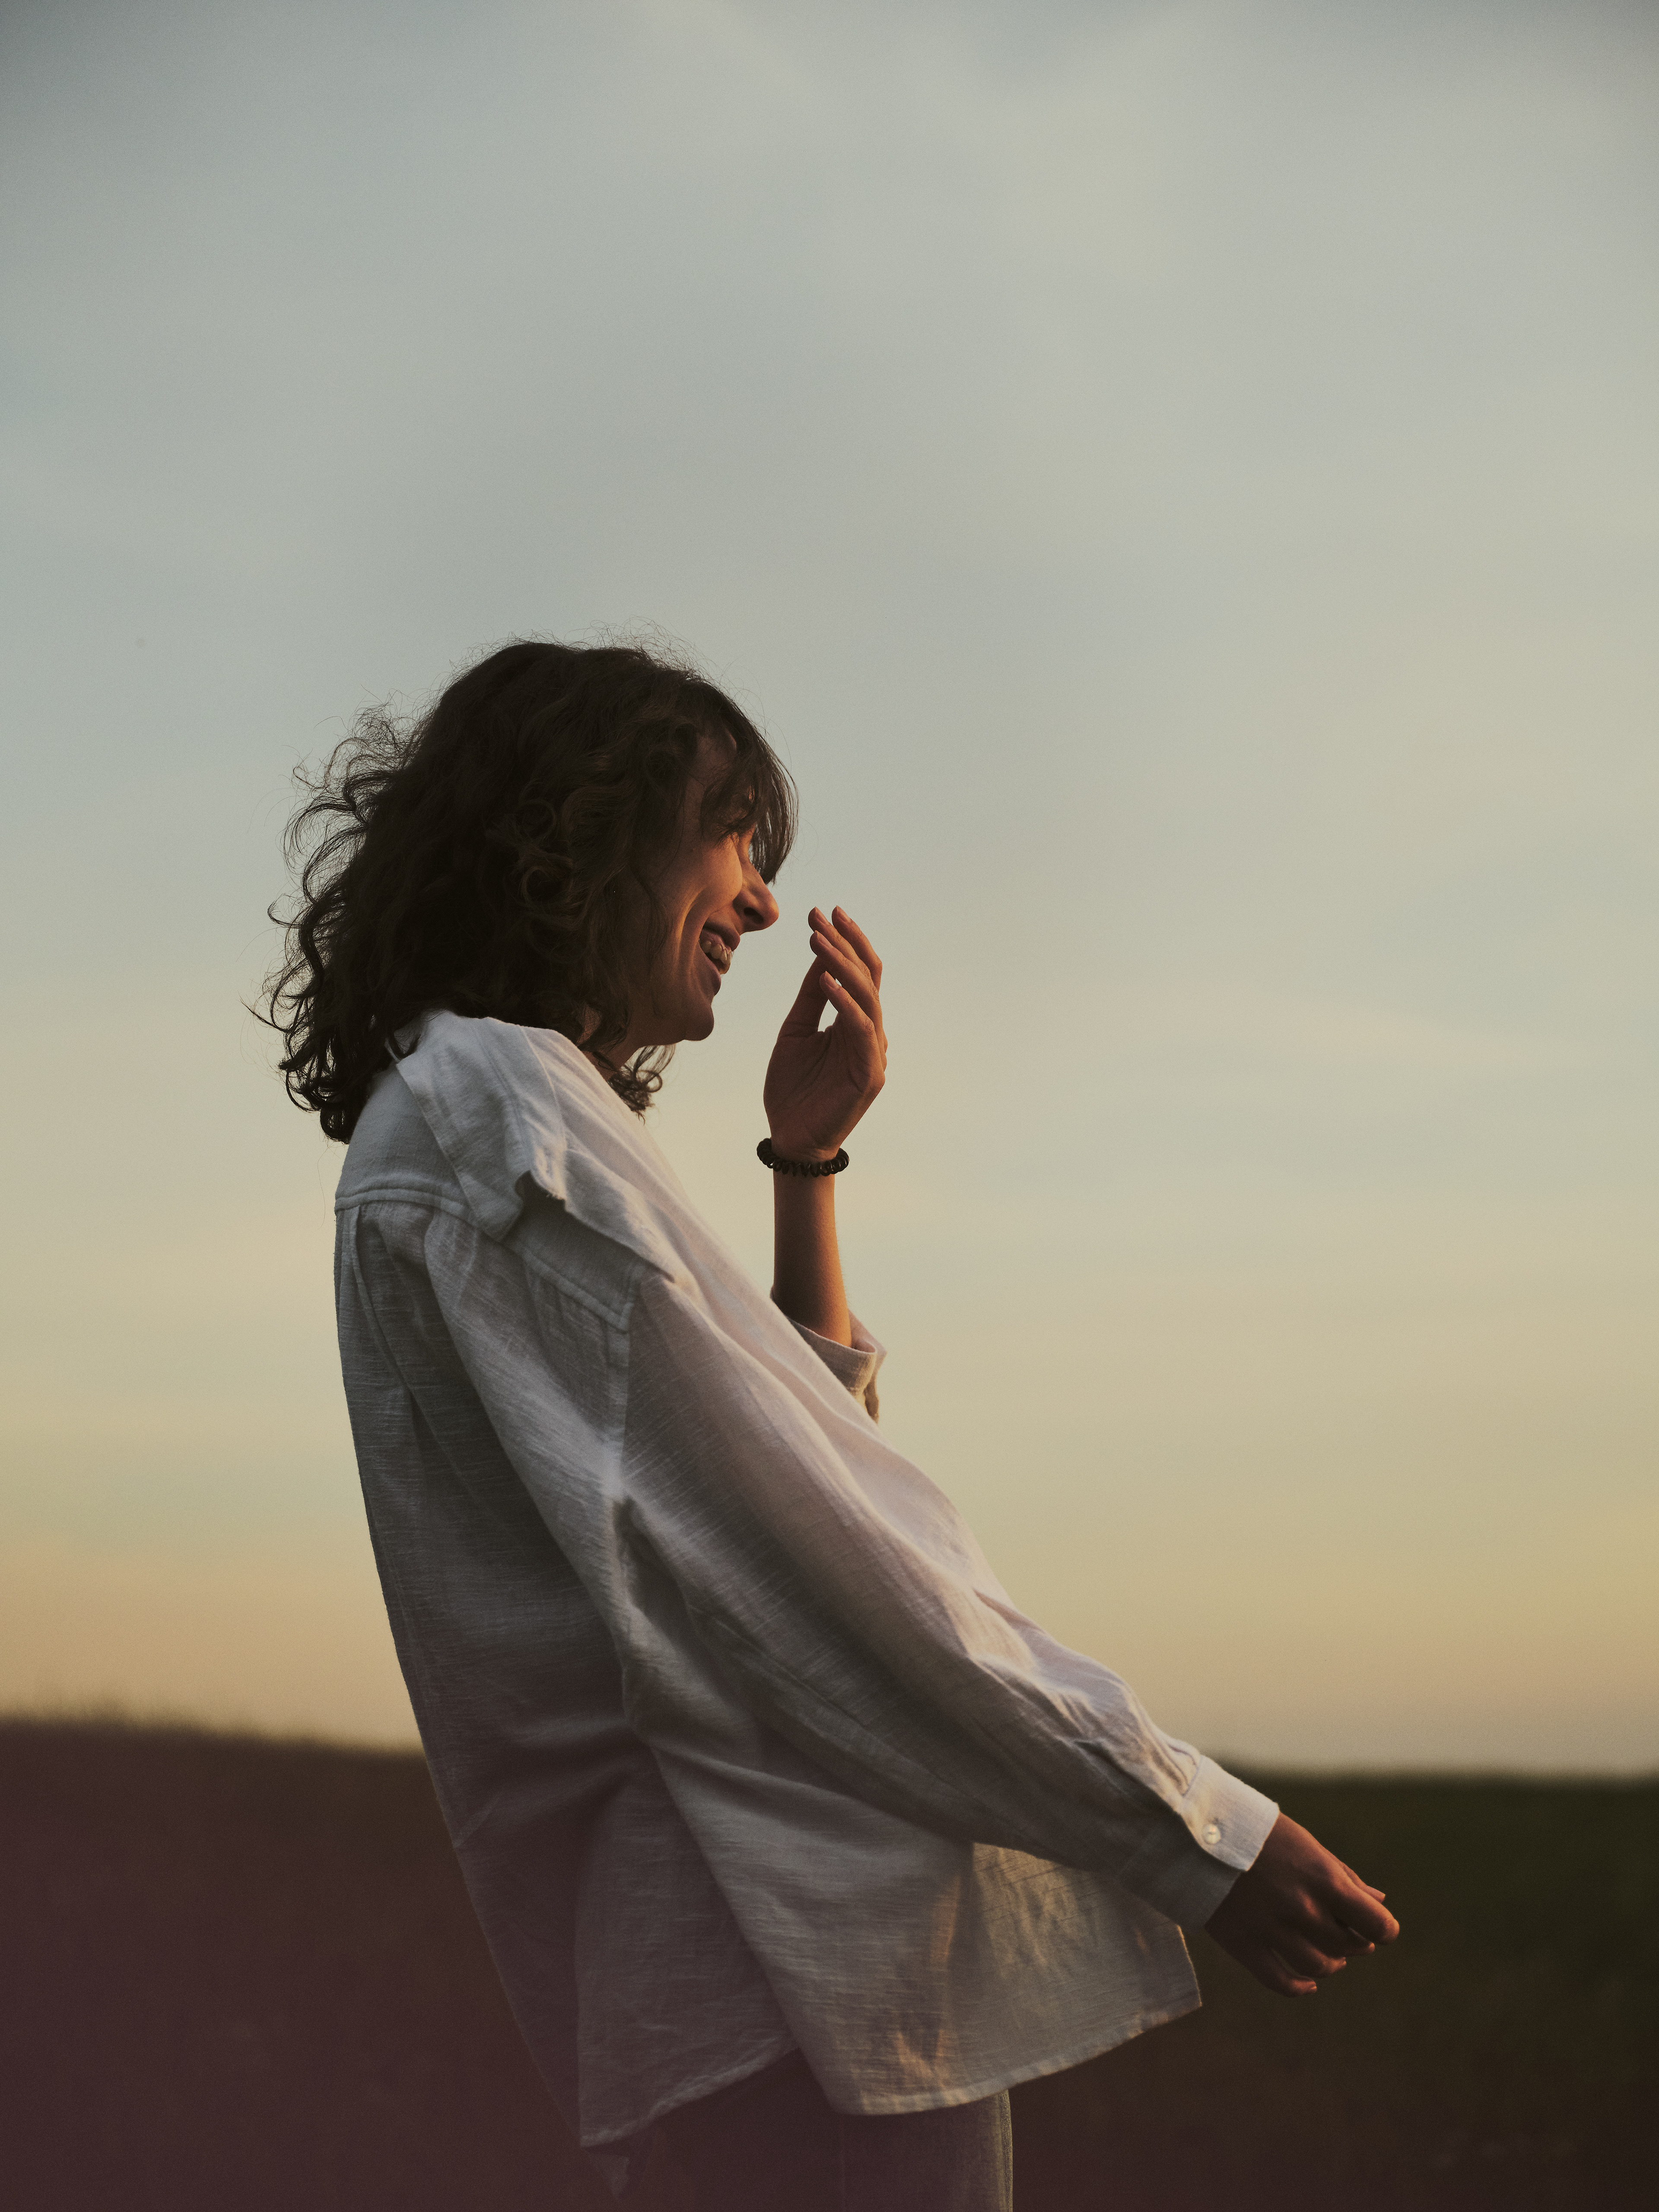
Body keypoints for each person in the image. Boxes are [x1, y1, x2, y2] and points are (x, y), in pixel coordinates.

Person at [265, 638, 1398, 2212]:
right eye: (730, 833)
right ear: (586, 826)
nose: (762, 898)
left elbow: (749, 1483)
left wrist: (805, 1170)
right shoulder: (503, 1122)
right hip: (787, 1985)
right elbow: (810, 1567)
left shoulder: (495, 1113)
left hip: (781, 1993)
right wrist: (1195, 1830)